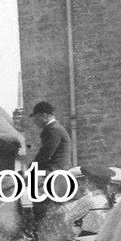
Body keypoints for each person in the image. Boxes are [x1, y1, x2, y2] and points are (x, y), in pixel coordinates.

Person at [27, 100, 73, 233]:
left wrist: (31, 168)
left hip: (54, 171)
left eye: (36, 118)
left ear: (45, 115)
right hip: (55, 169)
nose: (35, 121)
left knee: (27, 192)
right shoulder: (54, 129)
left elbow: (46, 154)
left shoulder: (53, 129)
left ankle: (35, 230)